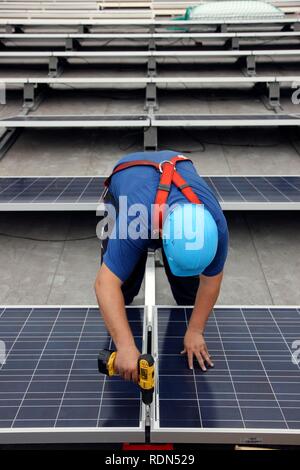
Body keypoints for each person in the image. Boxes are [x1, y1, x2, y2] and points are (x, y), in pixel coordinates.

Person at [95, 150, 229, 383]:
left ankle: (187, 327)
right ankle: (123, 332)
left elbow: (211, 280)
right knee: (123, 287)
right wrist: (125, 346)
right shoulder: (134, 222)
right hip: (129, 178)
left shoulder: (215, 225)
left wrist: (196, 330)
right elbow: (105, 284)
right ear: (164, 240)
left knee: (189, 293)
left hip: (172, 175)